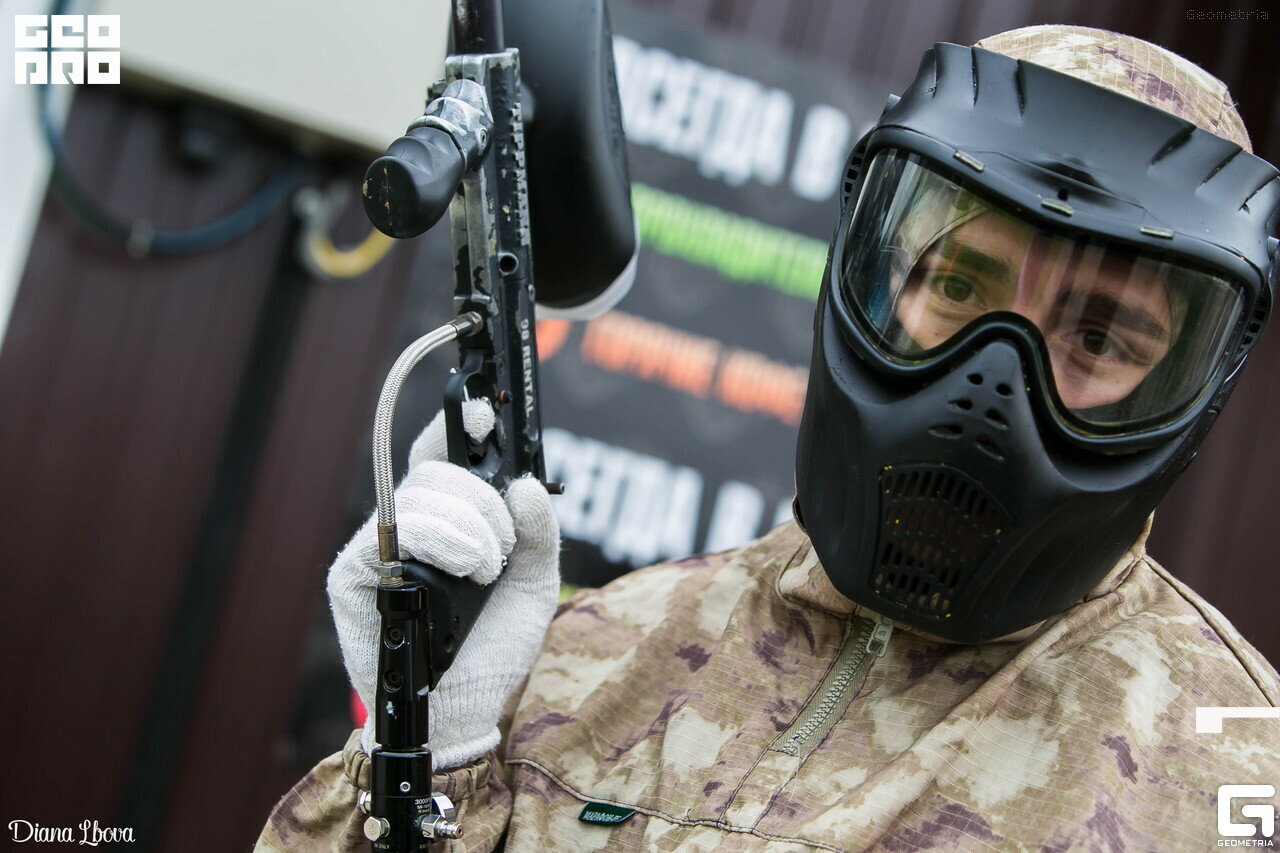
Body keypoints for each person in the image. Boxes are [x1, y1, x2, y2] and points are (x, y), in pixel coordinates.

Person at [258, 25, 1280, 852]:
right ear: (873, 278)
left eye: (1098, 337)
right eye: (958, 284)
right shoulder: (595, 659)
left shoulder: (1235, 782)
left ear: (1193, 388)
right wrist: (423, 758)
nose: (991, 385)